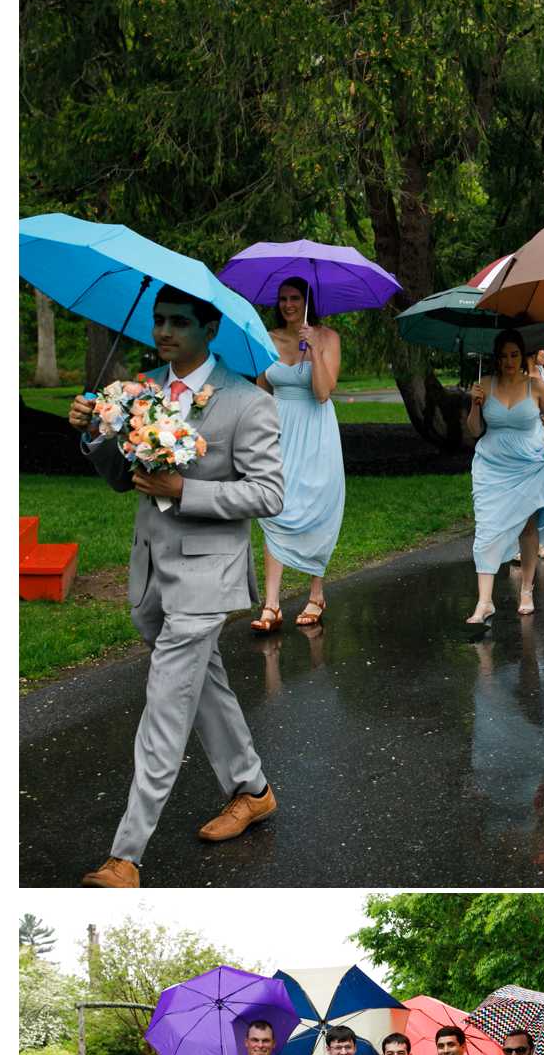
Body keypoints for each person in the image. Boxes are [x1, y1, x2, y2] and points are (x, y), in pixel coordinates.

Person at [74, 282, 282, 888]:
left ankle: (125, 857)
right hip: (151, 571)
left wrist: (186, 491)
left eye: (179, 322)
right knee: (204, 683)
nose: (165, 331)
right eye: (160, 320)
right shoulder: (140, 394)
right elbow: (121, 480)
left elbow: (269, 494)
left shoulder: (247, 403)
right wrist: (93, 432)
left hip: (206, 574)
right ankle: (252, 789)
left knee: (166, 702)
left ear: (209, 329)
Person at [463, 320, 544, 634]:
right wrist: (475, 405)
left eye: (513, 355)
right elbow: (475, 430)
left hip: (529, 462)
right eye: (502, 356)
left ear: (521, 355)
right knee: (486, 527)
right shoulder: (485, 383)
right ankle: (484, 601)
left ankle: (526, 588)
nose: (507, 362)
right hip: (491, 463)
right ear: (495, 357)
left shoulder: (535, 386)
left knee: (527, 525)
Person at [252, 276, 344, 635]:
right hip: (279, 431)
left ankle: (316, 594)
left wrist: (314, 351)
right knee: (275, 506)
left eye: (294, 298)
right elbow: (261, 391)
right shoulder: (267, 339)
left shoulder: (328, 338)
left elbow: (323, 393)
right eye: (283, 299)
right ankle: (271, 603)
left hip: (317, 430)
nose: (288, 305)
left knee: (316, 507)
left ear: (307, 301)